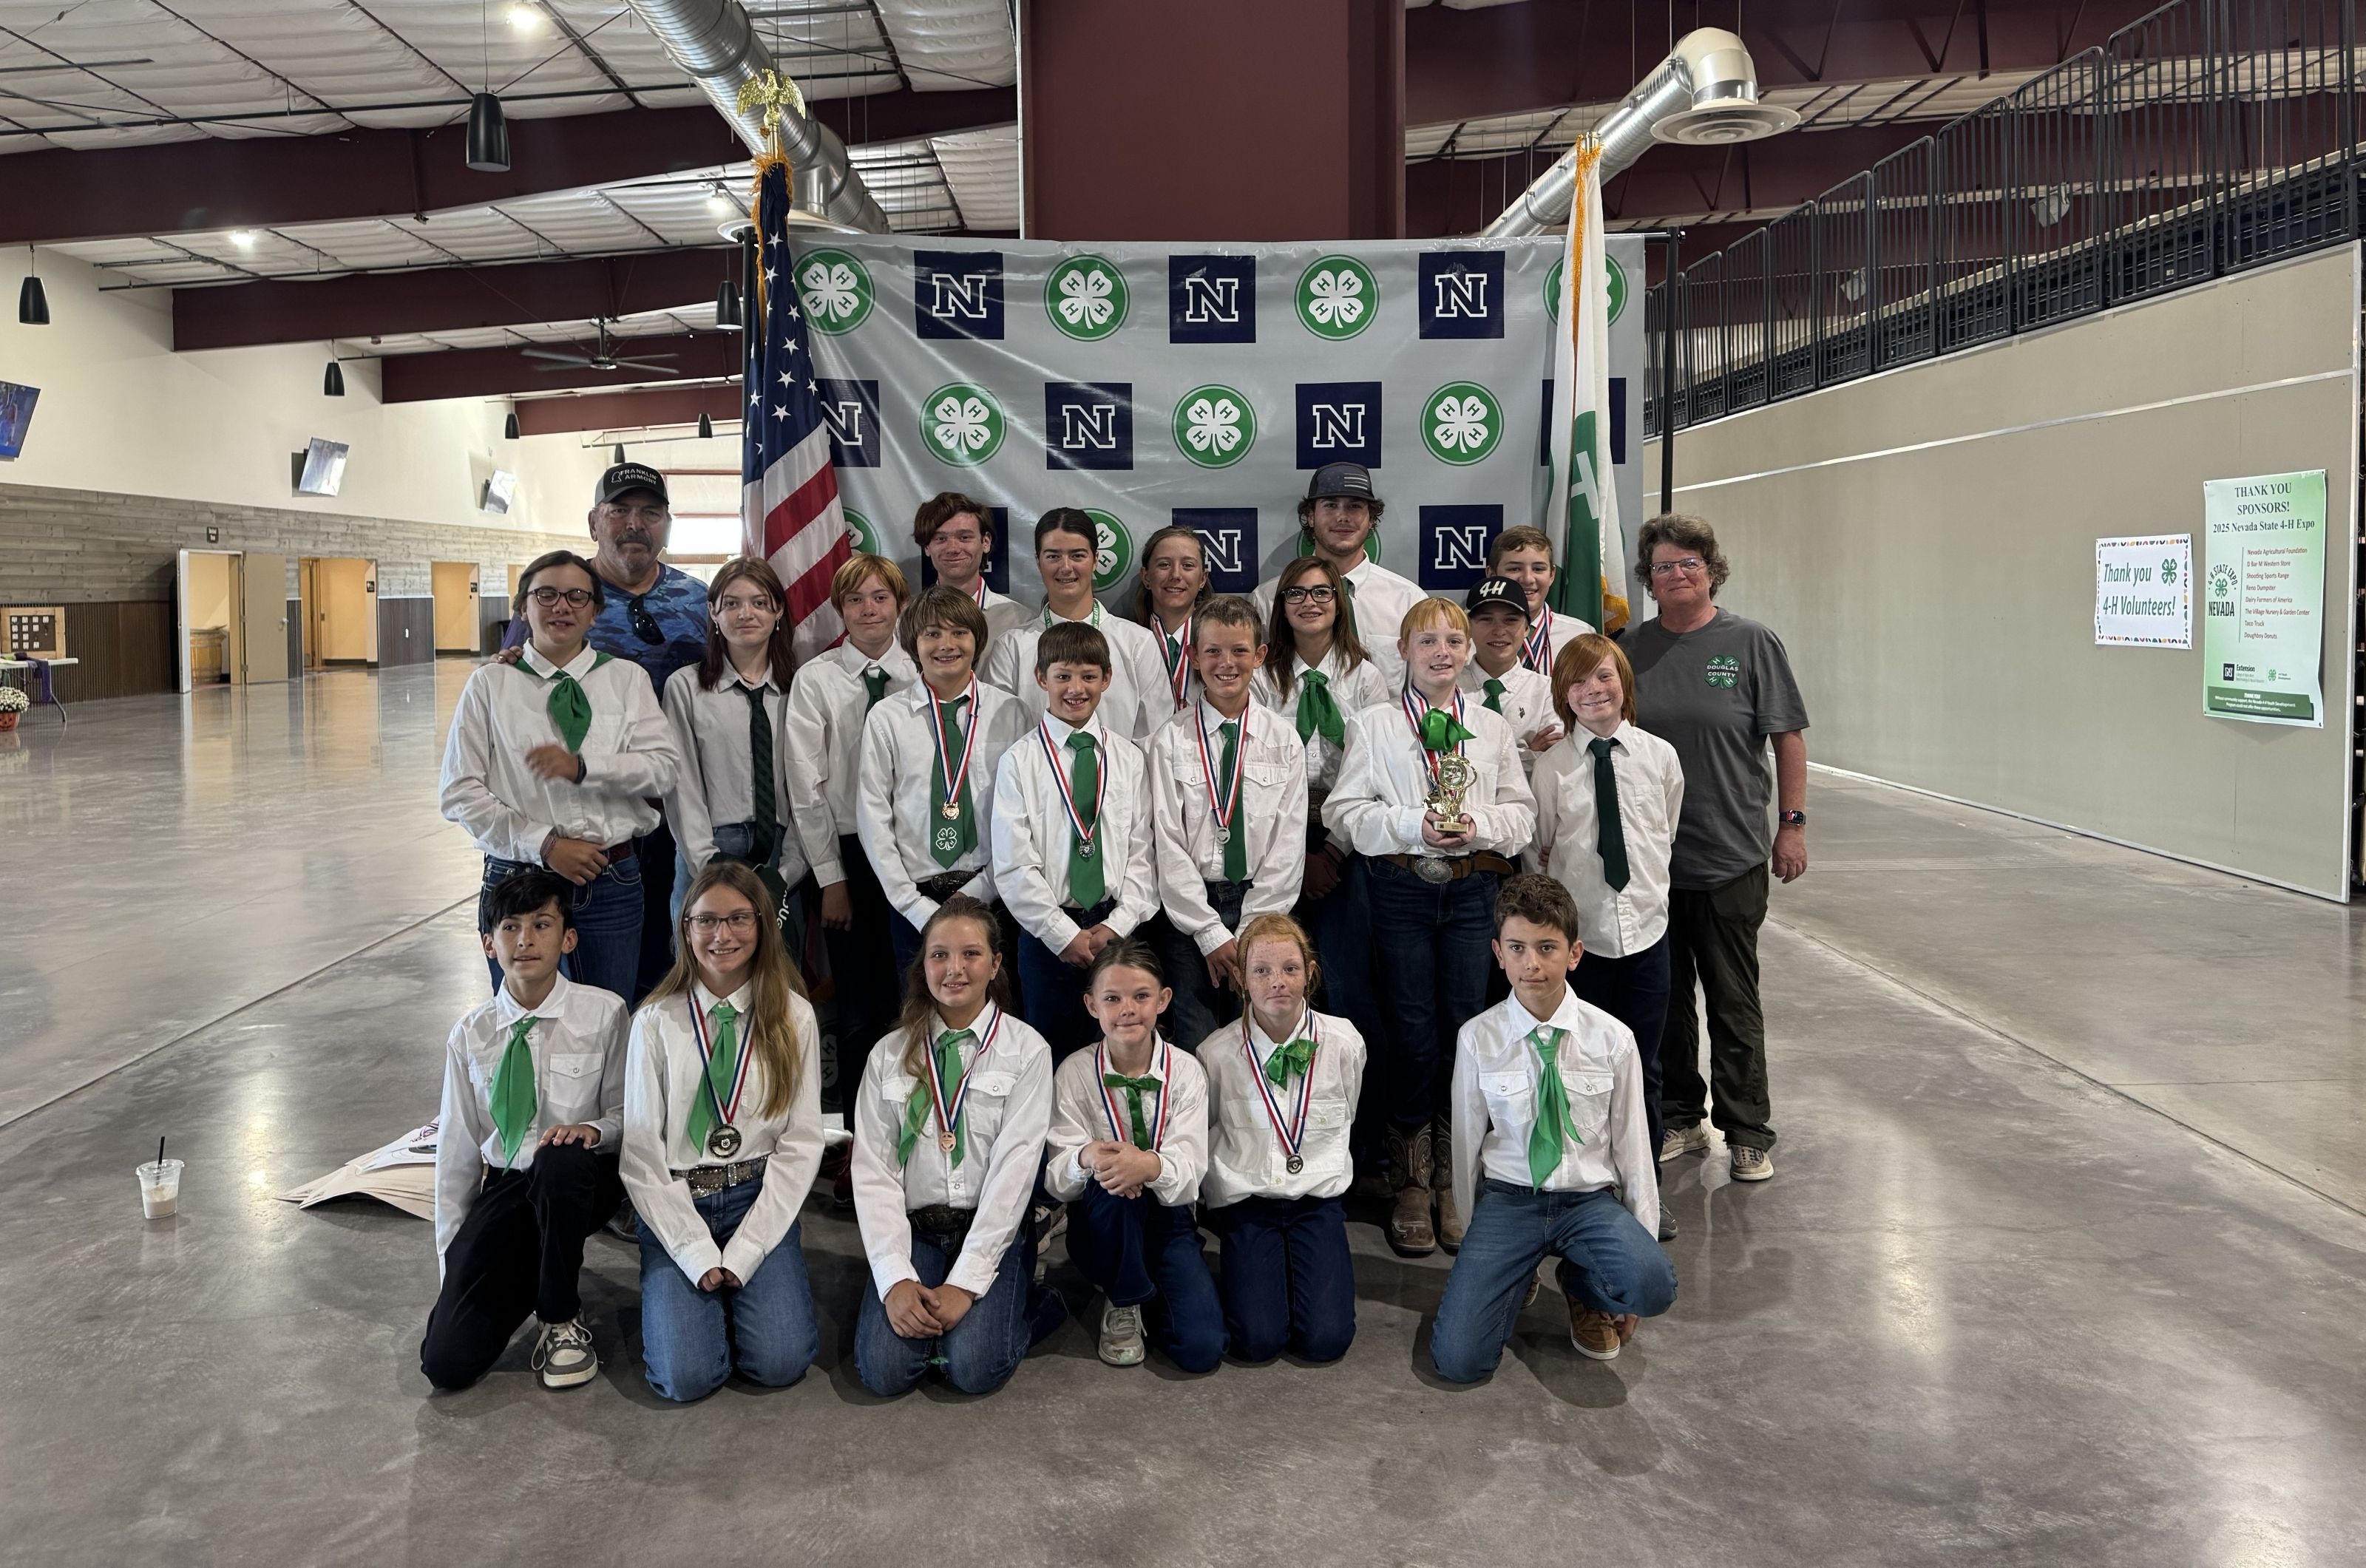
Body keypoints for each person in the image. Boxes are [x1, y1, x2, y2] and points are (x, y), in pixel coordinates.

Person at [1325, 597, 1534, 1258]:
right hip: (1402, 891)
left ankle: (1457, 1172)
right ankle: (1411, 1178)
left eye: (1453, 641)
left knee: (1467, 1026)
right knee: (1412, 1030)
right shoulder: (1376, 724)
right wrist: (1411, 824)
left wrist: (1481, 828)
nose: (1442, 652)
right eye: (1427, 641)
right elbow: (1345, 812)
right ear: (1405, 653)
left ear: (1469, 652)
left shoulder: (1492, 727)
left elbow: (1521, 814)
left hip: (1474, 890)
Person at [1624, 515, 1809, 1184]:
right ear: (1648, 578)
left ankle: (1748, 1129)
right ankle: (1680, 1116)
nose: (1677, 575)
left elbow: (1787, 737)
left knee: (1734, 1000)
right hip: (1650, 863)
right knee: (1668, 1002)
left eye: (1688, 563)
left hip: (1732, 855)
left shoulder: (1752, 643)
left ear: (1711, 569)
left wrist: (1791, 824)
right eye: (1664, 566)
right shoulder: (1630, 649)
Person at [1429, 875, 1674, 1381]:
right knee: (1459, 1362)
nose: (1532, 964)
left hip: (1588, 1202)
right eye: (1517, 948)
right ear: (1498, 952)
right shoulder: (1478, 1039)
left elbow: (1633, 1153)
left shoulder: (1613, 1040)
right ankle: (1515, 1276)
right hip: (1510, 1200)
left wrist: (1637, 1255)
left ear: (1575, 952)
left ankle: (1583, 1284)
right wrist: (1482, 1245)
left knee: (1651, 1284)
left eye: (1547, 947)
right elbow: (1468, 1147)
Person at [504, 464, 711, 999]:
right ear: (594, 521)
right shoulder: (560, 596)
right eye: (619, 510)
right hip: (576, 821)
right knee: (565, 967)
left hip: (673, 809)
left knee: (664, 958)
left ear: (667, 524)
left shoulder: (700, 602)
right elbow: (513, 682)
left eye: (649, 512)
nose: (633, 524)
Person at [620, 863, 824, 1401]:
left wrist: (747, 1251)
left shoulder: (794, 1016)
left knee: (781, 1362)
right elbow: (641, 1158)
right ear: (685, 927)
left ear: (762, 925)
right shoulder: (656, 1022)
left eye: (738, 918)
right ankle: (699, 1304)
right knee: (684, 1379)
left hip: (757, 1196)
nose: (722, 935)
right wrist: (693, 1251)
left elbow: (801, 1144)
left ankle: (742, 1296)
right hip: (678, 1200)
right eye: (706, 920)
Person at [420, 869, 628, 1393]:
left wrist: (591, 1130)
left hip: (584, 1175)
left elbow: (631, 1117)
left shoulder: (605, 1013)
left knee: (557, 1159)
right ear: (489, 944)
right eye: (510, 927)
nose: (526, 940)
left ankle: (560, 1319)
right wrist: (459, 1268)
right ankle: (534, 1276)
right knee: (446, 1361)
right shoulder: (471, 1034)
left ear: (568, 937)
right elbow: (458, 1156)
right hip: (511, 1184)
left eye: (541, 924)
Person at [441, 549, 681, 1002]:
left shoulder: (626, 680)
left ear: (594, 612)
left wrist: (585, 769)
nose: (562, 606)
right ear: (523, 609)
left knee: (610, 1021)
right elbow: (459, 792)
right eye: (546, 595)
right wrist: (545, 844)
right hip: (518, 876)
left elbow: (664, 771)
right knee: (522, 1021)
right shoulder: (491, 684)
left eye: (577, 596)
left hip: (610, 879)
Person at [850, 895, 1062, 1396]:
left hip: (990, 1229)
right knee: (885, 1372)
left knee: (973, 1368)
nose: (954, 968)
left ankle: (1031, 1301)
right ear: (922, 966)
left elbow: (1014, 1175)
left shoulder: (1027, 1050)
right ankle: (947, 1306)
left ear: (995, 964)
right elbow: (874, 1172)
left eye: (970, 954)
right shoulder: (889, 1054)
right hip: (916, 1231)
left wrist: (965, 1283)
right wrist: (895, 1278)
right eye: (939, 955)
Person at [1531, 633, 1684, 1241]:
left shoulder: (1658, 757)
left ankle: (1643, 1189)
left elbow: (1663, 833)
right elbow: (1539, 850)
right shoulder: (1554, 767)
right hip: (1583, 946)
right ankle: (1585, 1186)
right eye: (1578, 683)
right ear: (1563, 696)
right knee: (1580, 1066)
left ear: (1624, 680)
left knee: (1642, 1068)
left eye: (1604, 677)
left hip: (1646, 938)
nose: (1593, 691)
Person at [1249, 554, 1389, 1170]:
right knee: (1269, 993)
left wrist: (1331, 848)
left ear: (1341, 601)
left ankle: (1361, 1149)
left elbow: (1374, 771)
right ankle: (1271, 1139)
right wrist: (1296, 854)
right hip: (1272, 846)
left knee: (1347, 992)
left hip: (1345, 843)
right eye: (1296, 594)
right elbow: (1251, 775)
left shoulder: (1365, 675)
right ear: (1279, 607)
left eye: (1322, 592)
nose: (1309, 603)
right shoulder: (1262, 674)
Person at [782, 553, 916, 1146]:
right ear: (840, 609)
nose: (869, 609)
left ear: (900, 605)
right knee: (859, 1006)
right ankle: (864, 1144)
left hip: (915, 856)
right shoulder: (818, 679)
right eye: (857, 599)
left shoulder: (922, 671)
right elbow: (805, 786)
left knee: (910, 1000)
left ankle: (911, 1134)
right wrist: (829, 874)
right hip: (848, 855)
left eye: (881, 597)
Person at [1043, 941, 1221, 1371]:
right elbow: (1056, 1180)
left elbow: (1191, 1171)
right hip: (1104, 1221)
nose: (1128, 1009)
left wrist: (1148, 1165)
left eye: (1141, 996)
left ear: (1163, 1000)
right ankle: (1122, 1298)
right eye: (1112, 998)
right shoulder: (1074, 1072)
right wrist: (1085, 1156)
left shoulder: (1186, 1071)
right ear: (1091, 1005)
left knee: (1201, 1349)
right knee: (1115, 1183)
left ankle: (1149, 1293)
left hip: (1169, 1220)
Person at [1196, 913, 1365, 1365]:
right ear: (1241, 979)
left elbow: (1350, 1108)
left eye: (1290, 969)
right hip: (1249, 1203)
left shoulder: (1344, 1042)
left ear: (1310, 974)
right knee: (1257, 1342)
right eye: (1262, 971)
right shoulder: (1216, 1054)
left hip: (1317, 1202)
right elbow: (1209, 1130)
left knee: (1326, 1341)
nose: (1278, 983)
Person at [989, 621, 1159, 1059]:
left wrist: (1117, 925)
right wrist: (1060, 933)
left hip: (1116, 930)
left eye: (1087, 676)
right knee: (1050, 1053)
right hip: (1046, 935)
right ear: (1041, 678)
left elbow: (1143, 853)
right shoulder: (1019, 761)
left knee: (1121, 1053)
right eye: (1062, 676)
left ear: (1107, 679)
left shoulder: (1128, 758)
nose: (1075, 688)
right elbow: (1013, 863)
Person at [1148, 594, 1308, 1053]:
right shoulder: (1170, 740)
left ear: (1260, 656)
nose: (1226, 663)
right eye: (1213, 651)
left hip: (1265, 907)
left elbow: (1288, 843)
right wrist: (1210, 932)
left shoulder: (1282, 739)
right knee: (1197, 1038)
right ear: (1194, 657)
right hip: (1190, 915)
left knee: (1263, 1038)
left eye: (1240, 651)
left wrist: (1252, 931)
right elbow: (1167, 843)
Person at [856, 585, 1026, 980]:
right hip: (915, 898)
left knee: (997, 1010)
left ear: (977, 640)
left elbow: (1023, 815)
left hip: (994, 892)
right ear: (914, 644)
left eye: (958, 632)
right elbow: (873, 817)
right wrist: (912, 904)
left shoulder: (1010, 711)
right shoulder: (887, 718)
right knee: (920, 1014)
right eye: (932, 633)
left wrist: (980, 891)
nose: (946, 644)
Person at [660, 559, 808, 931]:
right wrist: (706, 863)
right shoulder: (686, 687)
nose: (746, 614)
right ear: (713, 612)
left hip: (781, 849)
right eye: (732, 603)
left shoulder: (800, 688)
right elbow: (682, 784)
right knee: (705, 968)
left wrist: (788, 870)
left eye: (759, 603)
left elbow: (809, 786)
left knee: (778, 977)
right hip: (709, 846)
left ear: (778, 612)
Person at [981, 508, 1168, 741]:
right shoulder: (1012, 647)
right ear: (1038, 562)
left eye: (1077, 555)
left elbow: (1154, 741)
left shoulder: (1137, 644)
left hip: (1120, 777)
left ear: (1096, 560)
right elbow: (999, 738)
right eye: (1053, 556)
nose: (1066, 567)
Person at [1251, 461, 1427, 688]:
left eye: (1354, 506)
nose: (1342, 517)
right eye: (1331, 505)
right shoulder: (1269, 599)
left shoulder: (1409, 601)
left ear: (1371, 519)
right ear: (1311, 516)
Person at [1458, 575, 1563, 775]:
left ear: (1526, 628)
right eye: (1486, 619)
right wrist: (1527, 755)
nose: (1499, 630)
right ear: (1468, 626)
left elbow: (1553, 761)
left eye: (1511, 620)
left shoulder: (1547, 692)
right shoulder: (1448, 687)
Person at [915, 490, 1030, 644]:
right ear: (927, 547)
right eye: (941, 539)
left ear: (986, 542)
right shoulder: (910, 619)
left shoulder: (1020, 621)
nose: (953, 548)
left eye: (964, 537)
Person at [1486, 525, 1598, 673]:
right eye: (1514, 569)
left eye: (1538, 569)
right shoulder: (1469, 637)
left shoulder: (1579, 637)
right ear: (1492, 575)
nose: (1527, 579)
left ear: (1552, 575)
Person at [1133, 523, 1213, 719]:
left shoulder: (1221, 644)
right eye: (1164, 565)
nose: (1176, 575)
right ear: (1146, 577)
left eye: (1187, 565)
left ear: (1202, 578)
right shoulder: (1126, 642)